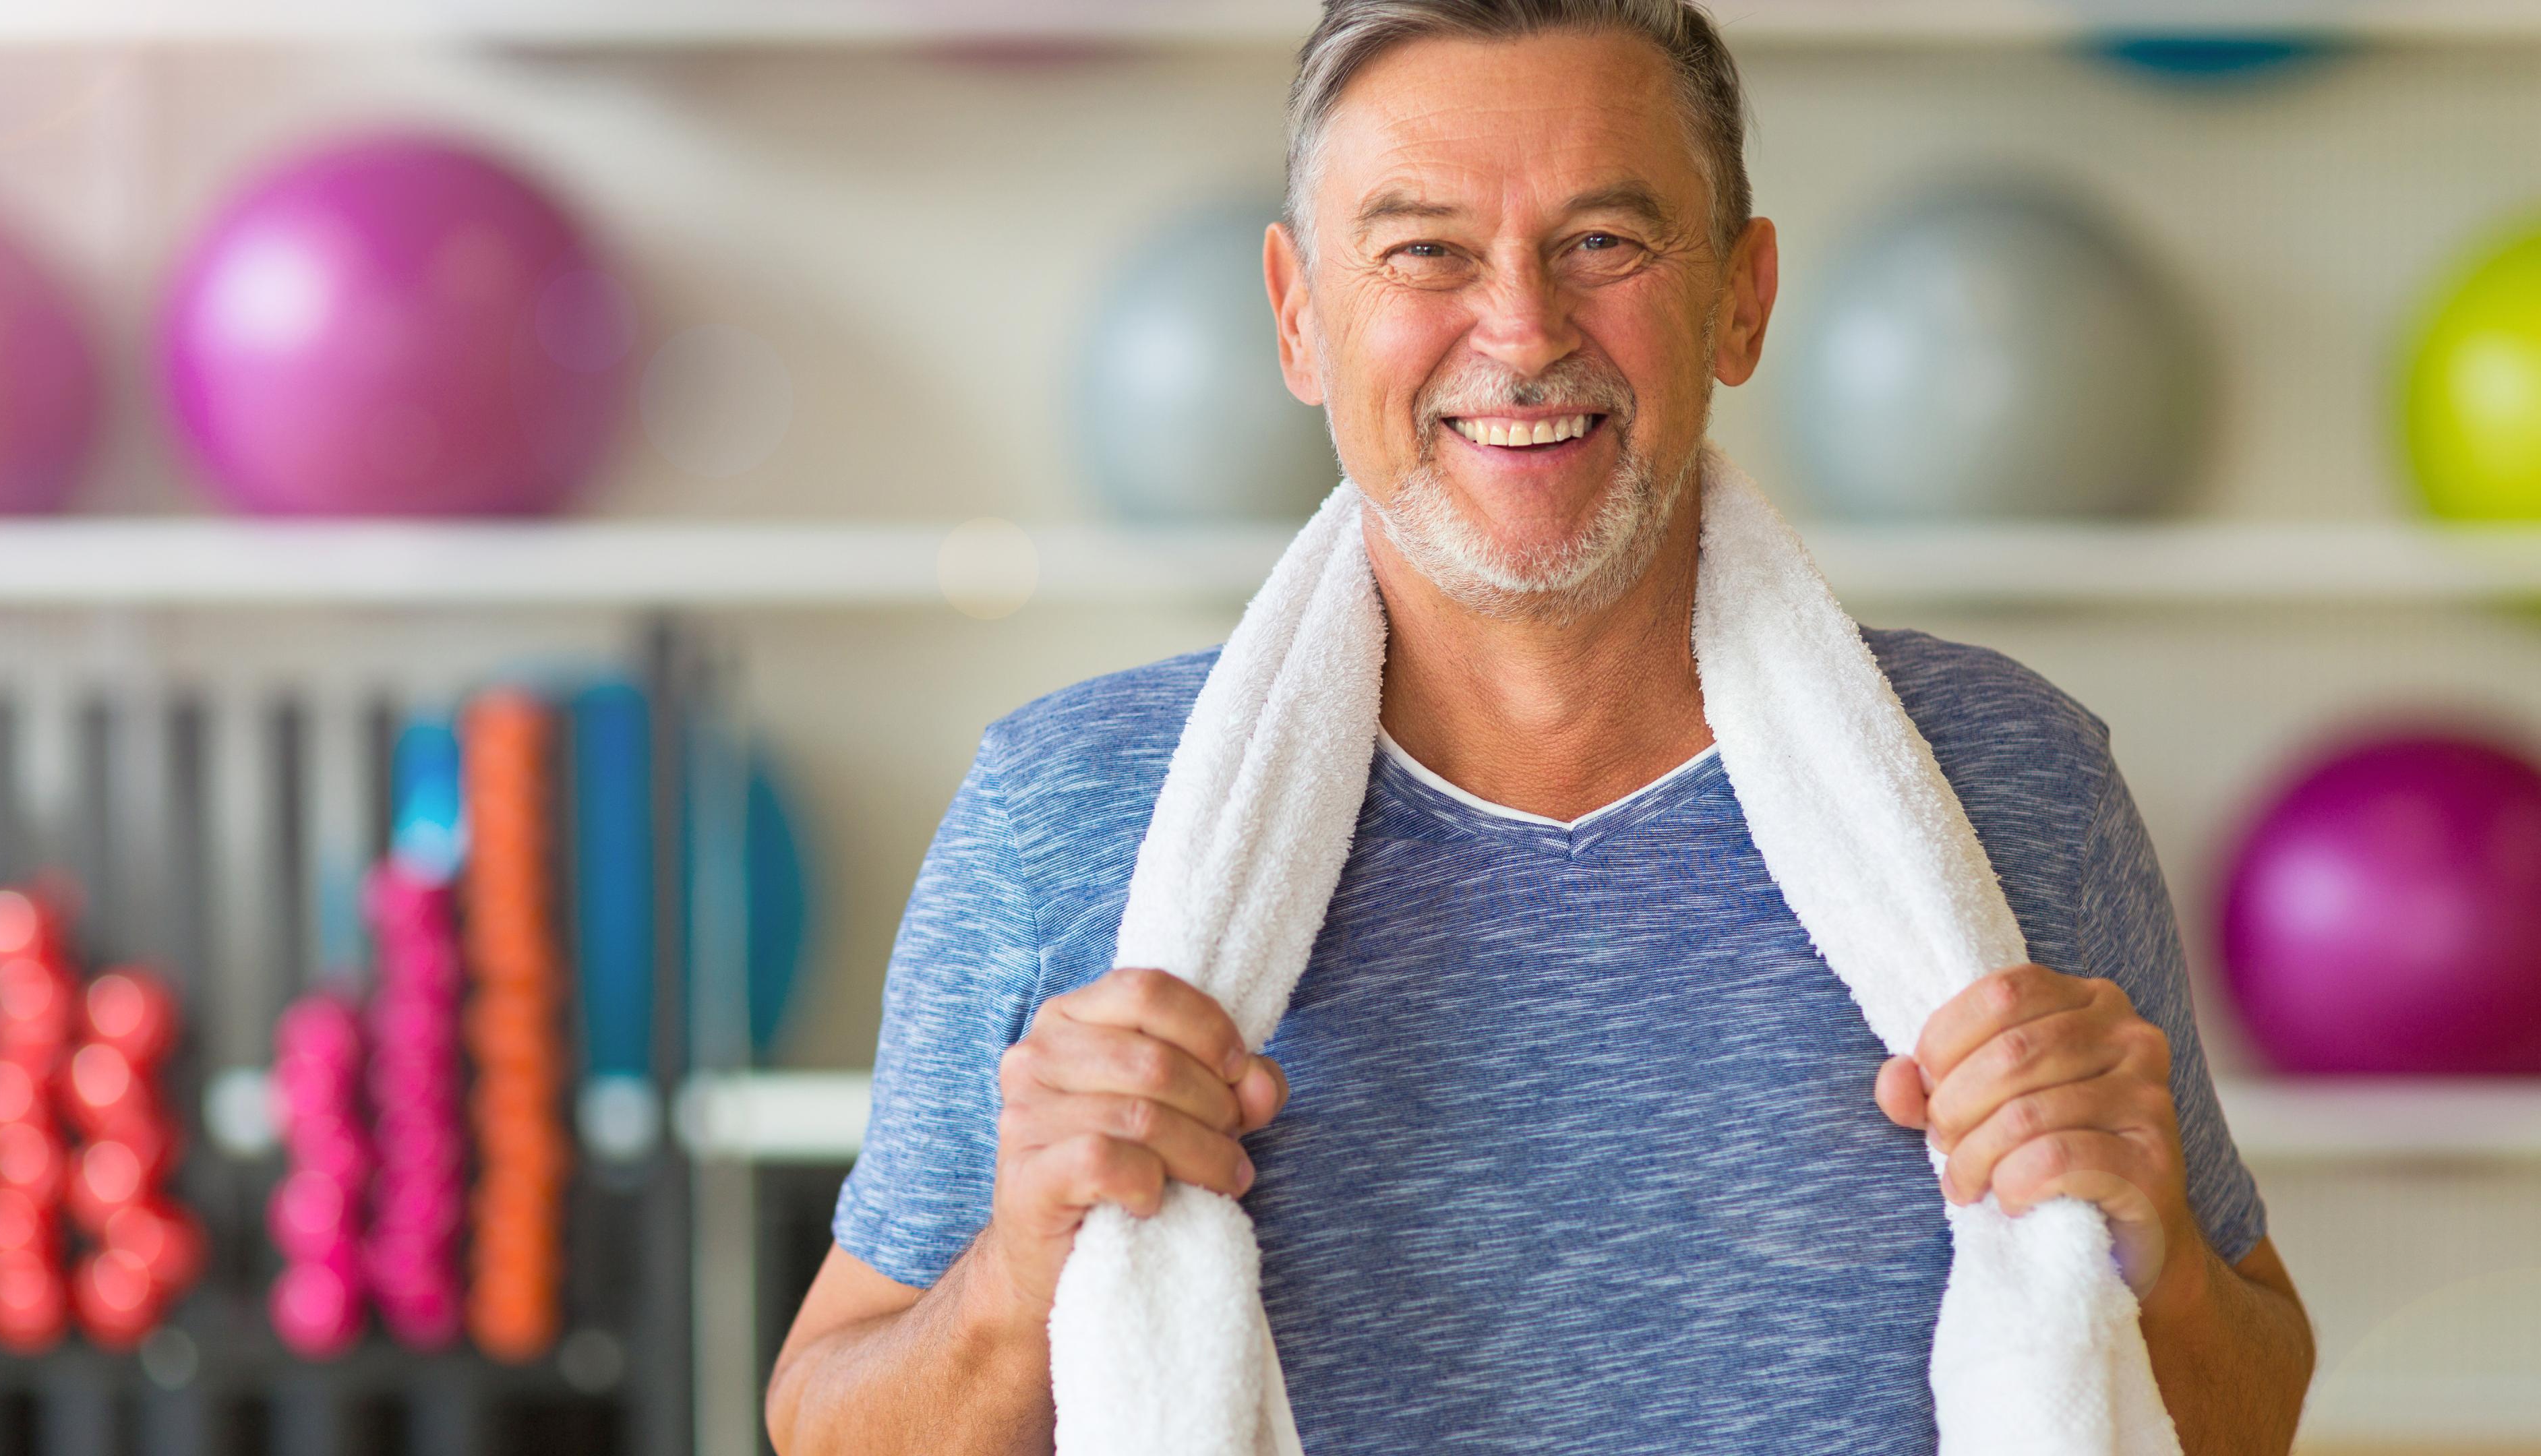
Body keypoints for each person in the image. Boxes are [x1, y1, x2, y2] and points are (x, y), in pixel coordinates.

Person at [767, 3, 2316, 1451]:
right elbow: (825, 1417)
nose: (1519, 330)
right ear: (1301, 319)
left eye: (1605, 240)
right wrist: (1021, 1261)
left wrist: (2157, 1245)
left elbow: (2254, 1401)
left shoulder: (2012, 780)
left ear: (1742, 296)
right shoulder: (1068, 810)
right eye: (1425, 249)